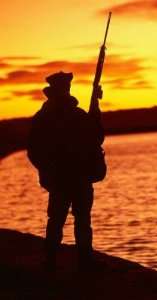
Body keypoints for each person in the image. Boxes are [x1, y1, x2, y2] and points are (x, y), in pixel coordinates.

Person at [27, 71, 105, 270]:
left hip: (75, 176)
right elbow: (34, 150)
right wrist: (47, 170)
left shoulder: (54, 116)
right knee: (62, 220)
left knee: (77, 220)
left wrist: (95, 105)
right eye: (65, 87)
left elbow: (95, 137)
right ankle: (55, 260)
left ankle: (74, 261)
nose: (67, 90)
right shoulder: (45, 118)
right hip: (65, 177)